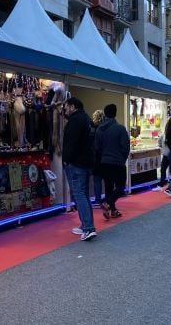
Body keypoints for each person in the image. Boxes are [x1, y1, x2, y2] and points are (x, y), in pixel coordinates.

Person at [62, 98, 97, 241]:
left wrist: (66, 159)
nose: (65, 110)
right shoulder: (87, 119)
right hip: (86, 161)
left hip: (76, 162)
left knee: (79, 193)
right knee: (83, 193)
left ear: (72, 106)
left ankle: (88, 227)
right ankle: (86, 225)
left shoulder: (76, 121)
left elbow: (71, 143)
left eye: (66, 107)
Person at [95, 104, 130, 220]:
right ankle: (108, 203)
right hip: (118, 163)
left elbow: (97, 147)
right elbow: (126, 147)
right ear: (115, 113)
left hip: (104, 162)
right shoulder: (120, 129)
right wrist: (122, 159)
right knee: (120, 188)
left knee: (108, 188)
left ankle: (113, 210)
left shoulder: (100, 129)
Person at [90, 109, 105, 208]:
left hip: (96, 158)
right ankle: (108, 199)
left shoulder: (93, 130)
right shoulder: (106, 129)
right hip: (106, 157)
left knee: (97, 179)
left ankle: (98, 200)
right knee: (107, 179)